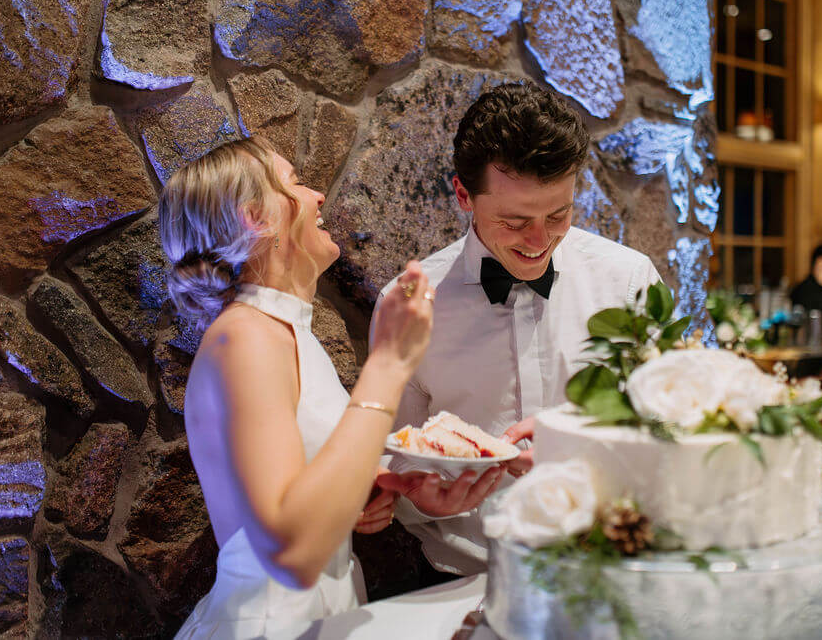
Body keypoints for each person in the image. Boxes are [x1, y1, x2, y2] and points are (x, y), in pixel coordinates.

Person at [159, 136, 451, 637]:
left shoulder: (283, 331)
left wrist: (368, 484)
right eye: (293, 182)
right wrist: (389, 362)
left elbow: (293, 491)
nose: (317, 196)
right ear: (256, 217)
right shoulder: (244, 335)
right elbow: (289, 551)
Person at [374, 83, 663, 576]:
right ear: (464, 194)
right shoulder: (406, 304)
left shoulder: (630, 280)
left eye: (559, 214)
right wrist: (423, 501)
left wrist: (584, 443)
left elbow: (669, 431)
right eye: (514, 221)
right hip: (464, 581)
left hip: (610, 569)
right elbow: (393, 451)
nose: (539, 241)